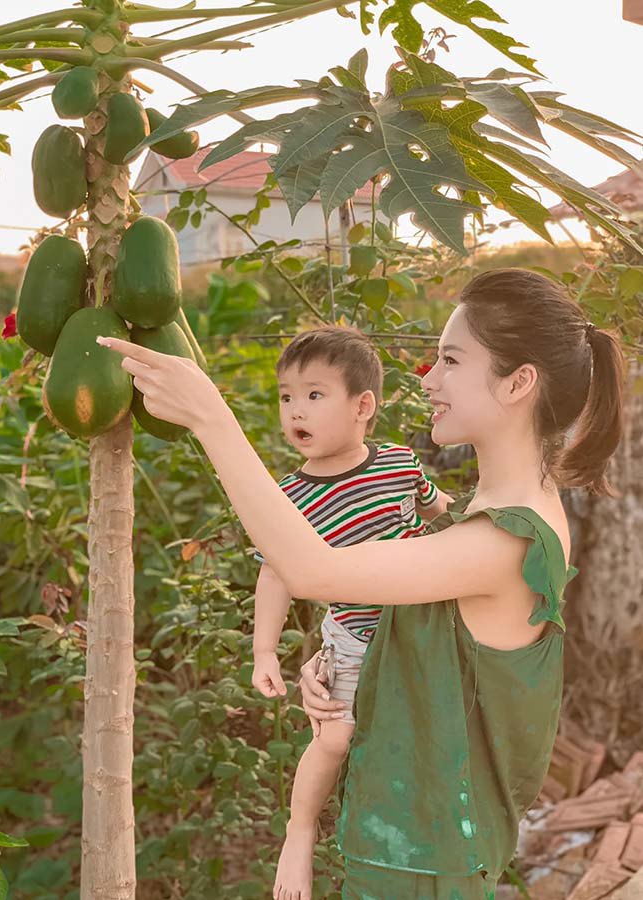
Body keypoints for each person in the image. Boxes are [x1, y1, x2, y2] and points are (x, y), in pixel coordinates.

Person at [98, 268, 625, 900]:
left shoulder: (505, 543)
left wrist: (212, 417)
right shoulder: (482, 518)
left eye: (450, 361)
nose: (427, 380)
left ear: (517, 383)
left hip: (425, 863)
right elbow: (425, 640)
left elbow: (312, 569)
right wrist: (343, 659)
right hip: (413, 843)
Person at [250, 326, 450, 900]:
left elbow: (441, 515)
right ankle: (301, 829)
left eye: (314, 394)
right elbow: (274, 573)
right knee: (336, 739)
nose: (295, 409)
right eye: (286, 396)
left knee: (423, 733)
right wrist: (265, 650)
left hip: (421, 626)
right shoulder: (288, 496)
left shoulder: (398, 462)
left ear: (363, 406)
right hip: (356, 634)